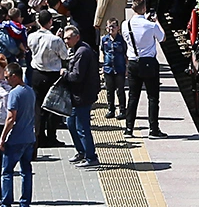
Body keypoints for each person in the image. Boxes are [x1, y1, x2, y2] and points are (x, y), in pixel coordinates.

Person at [122, 0, 168, 138]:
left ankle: (129, 129)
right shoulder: (151, 25)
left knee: (133, 96)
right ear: (144, 8)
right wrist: (156, 21)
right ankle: (153, 129)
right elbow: (162, 38)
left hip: (133, 63)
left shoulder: (125, 24)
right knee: (153, 97)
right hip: (149, 63)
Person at [27, 9, 67, 147]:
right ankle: (51, 137)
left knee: (38, 106)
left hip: (37, 73)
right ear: (50, 22)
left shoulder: (31, 37)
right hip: (52, 74)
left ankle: (38, 136)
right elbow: (64, 55)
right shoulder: (55, 40)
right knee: (52, 106)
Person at [0, 62, 36, 207]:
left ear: (15, 76)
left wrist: (2, 138)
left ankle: (6, 204)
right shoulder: (30, 91)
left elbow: (10, 118)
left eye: (7, 77)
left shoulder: (14, 93)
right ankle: (25, 204)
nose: (6, 80)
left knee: (7, 171)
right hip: (29, 137)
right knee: (26, 171)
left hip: (16, 139)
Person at [63, 25, 100, 168]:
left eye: (68, 38)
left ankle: (91, 157)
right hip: (76, 96)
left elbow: (77, 76)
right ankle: (81, 151)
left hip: (83, 96)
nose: (66, 41)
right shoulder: (75, 50)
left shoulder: (82, 52)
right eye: (65, 38)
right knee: (71, 123)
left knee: (82, 127)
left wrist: (64, 73)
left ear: (77, 37)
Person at [101, 18, 127, 118]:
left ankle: (122, 110)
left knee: (120, 90)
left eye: (113, 26)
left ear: (118, 28)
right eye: (109, 26)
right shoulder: (104, 39)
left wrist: (126, 68)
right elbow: (103, 52)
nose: (111, 28)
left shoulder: (122, 40)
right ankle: (111, 109)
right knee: (109, 90)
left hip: (119, 68)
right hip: (108, 68)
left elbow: (125, 54)